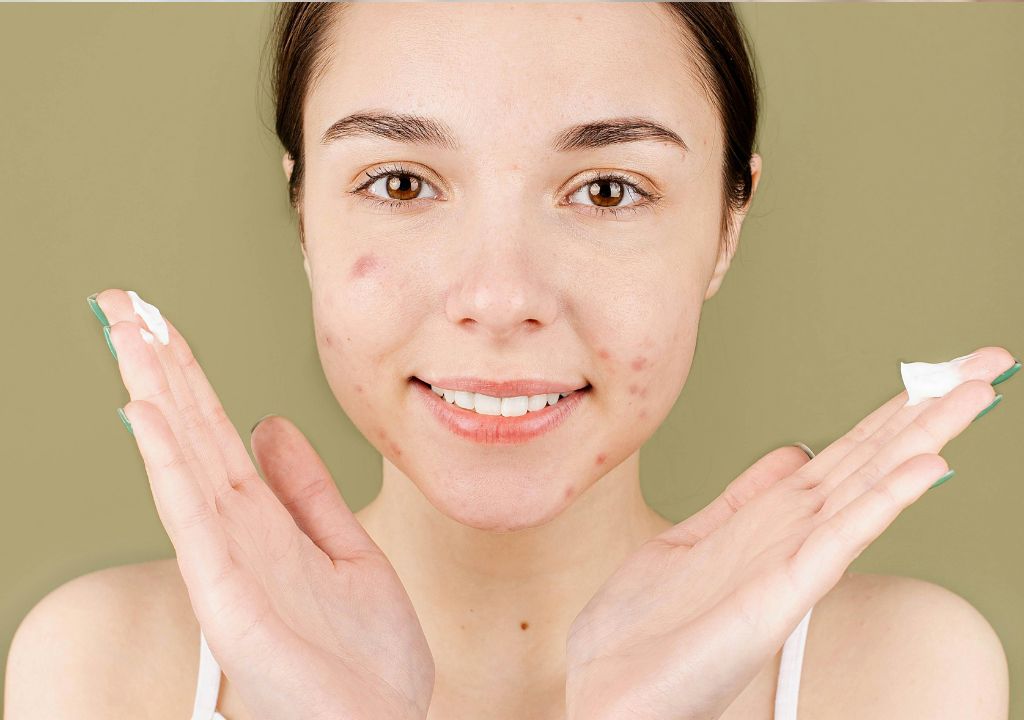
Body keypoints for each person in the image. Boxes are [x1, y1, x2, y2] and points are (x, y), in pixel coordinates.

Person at [5, 3, 1014, 719]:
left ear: (725, 226)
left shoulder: (898, 675)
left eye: (608, 190)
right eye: (400, 183)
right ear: (302, 209)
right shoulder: (103, 668)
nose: (498, 298)